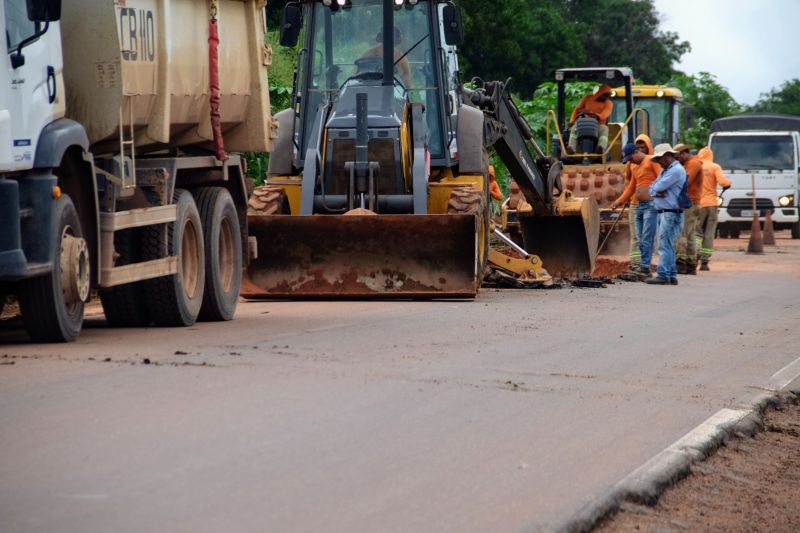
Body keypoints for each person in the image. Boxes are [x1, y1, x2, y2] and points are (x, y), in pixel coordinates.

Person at [611, 134, 662, 276]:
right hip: (639, 205)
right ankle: (641, 265)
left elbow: (662, 178)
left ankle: (645, 266)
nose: (631, 161)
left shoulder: (651, 161)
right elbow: (631, 187)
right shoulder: (634, 166)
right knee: (639, 237)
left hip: (651, 205)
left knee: (647, 236)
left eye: (631, 158)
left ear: (636, 152)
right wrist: (619, 201)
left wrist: (657, 196)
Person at [645, 144, 687, 285]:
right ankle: (671, 274)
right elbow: (652, 189)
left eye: (660, 159)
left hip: (670, 213)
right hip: (666, 212)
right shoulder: (667, 170)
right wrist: (655, 191)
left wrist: (655, 191)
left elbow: (657, 187)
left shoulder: (675, 171)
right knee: (668, 245)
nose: (659, 163)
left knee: (664, 245)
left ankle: (663, 274)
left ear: (668, 156)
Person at [695, 147, 732, 271]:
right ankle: (705, 262)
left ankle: (694, 256)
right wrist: (728, 183)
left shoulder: (697, 166)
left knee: (697, 233)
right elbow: (723, 182)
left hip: (699, 204)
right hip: (712, 204)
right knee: (709, 234)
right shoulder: (715, 167)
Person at [673, 144, 704, 275]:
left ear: (684, 153)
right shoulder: (691, 163)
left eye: (677, 156)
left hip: (689, 204)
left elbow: (685, 181)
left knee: (682, 234)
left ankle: (681, 263)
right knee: (690, 235)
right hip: (693, 203)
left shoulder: (693, 163)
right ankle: (691, 264)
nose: (677, 159)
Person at [567, 85, 614, 154]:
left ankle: (600, 147)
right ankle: (571, 148)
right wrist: (572, 121)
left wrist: (594, 114)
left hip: (598, 125)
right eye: (605, 95)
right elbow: (577, 109)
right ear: (600, 93)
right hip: (583, 123)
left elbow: (604, 115)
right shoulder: (587, 98)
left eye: (608, 96)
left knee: (605, 129)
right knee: (574, 128)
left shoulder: (609, 103)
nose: (606, 97)